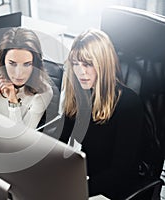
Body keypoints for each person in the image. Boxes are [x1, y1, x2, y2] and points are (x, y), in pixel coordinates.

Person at [59, 29, 145, 199]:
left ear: (103, 64)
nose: (80, 71)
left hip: (112, 190)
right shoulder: (80, 94)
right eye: (76, 64)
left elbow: (120, 172)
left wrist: (76, 189)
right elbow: (59, 144)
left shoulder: (128, 104)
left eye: (87, 64)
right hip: (86, 180)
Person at [0, 27, 53, 129]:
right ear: (3, 62)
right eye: (12, 63)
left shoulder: (43, 92)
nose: (19, 73)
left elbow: (22, 136)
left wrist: (13, 101)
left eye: (27, 64)